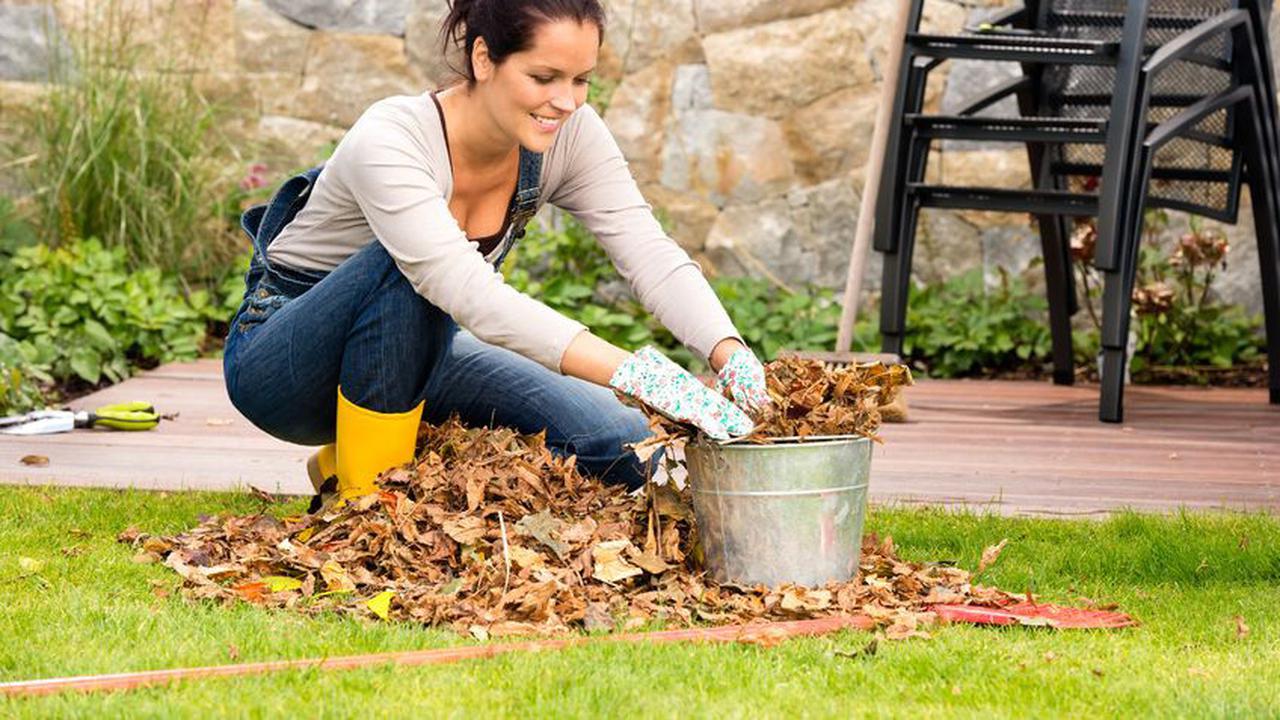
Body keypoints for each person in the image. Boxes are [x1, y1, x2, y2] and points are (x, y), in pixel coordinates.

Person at [222, 0, 770, 505]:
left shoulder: (571, 134)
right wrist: (639, 376)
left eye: (581, 79)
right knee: (406, 270)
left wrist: (728, 352)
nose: (566, 101)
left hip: (424, 352)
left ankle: (361, 458)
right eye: (543, 78)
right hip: (286, 367)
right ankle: (366, 505)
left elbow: (645, 246)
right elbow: (466, 290)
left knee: (622, 443)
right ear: (483, 58)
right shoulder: (391, 138)